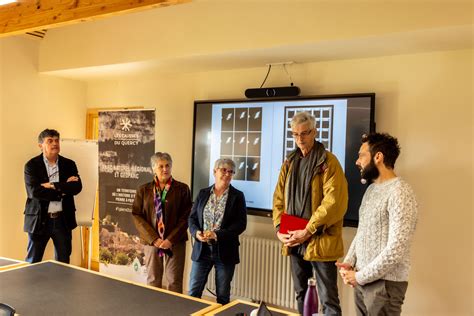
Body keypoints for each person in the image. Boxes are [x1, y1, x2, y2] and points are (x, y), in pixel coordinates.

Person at [273, 112, 348, 315]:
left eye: (304, 133)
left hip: (320, 241)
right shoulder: (289, 162)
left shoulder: (329, 162)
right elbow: (278, 198)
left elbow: (333, 203)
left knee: (328, 300)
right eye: (295, 134)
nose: (300, 139)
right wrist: (279, 228)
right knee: (301, 294)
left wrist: (308, 230)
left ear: (314, 132)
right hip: (294, 240)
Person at [336, 133, 418, 316]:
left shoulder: (400, 192)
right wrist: (349, 261)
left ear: (378, 157)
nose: (357, 161)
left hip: (385, 286)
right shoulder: (371, 190)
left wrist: (359, 277)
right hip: (363, 281)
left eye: (361, 155)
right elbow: (363, 231)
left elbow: (396, 250)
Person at [188, 158, 247, 305]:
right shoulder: (203, 193)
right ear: (215, 171)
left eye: (231, 171)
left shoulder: (237, 196)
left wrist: (217, 235)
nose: (227, 174)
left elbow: (241, 224)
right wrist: (196, 233)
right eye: (223, 170)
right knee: (193, 292)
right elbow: (192, 219)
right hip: (202, 250)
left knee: (222, 296)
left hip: (225, 252)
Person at [132, 152, 191, 293]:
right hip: (152, 242)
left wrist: (170, 239)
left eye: (167, 166)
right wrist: (154, 239)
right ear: (153, 168)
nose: (165, 169)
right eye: (161, 166)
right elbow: (137, 215)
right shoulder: (143, 190)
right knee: (153, 280)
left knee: (174, 281)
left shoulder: (182, 189)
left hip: (175, 242)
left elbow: (186, 216)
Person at [24, 129, 82, 263]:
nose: (54, 143)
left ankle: (62, 284)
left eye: (56, 140)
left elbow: (76, 187)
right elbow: (34, 192)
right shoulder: (31, 165)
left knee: (63, 261)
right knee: (33, 260)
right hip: (39, 220)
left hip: (63, 220)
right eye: (50, 141)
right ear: (41, 145)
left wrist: (51, 185)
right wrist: (62, 188)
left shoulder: (69, 164)